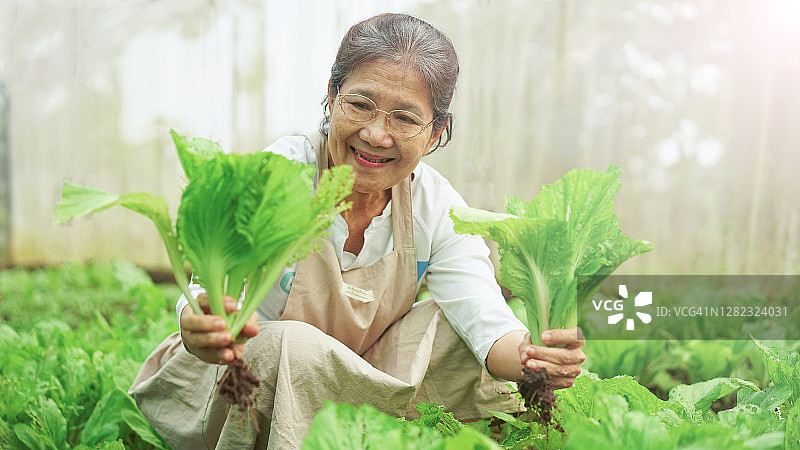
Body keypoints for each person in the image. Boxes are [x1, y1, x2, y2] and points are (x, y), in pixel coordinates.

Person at [129, 12, 585, 449]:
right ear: (331, 95)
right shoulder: (281, 174)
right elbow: (213, 294)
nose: (376, 134)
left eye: (405, 118)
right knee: (291, 343)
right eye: (361, 104)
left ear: (435, 132)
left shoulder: (436, 206)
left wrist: (532, 358)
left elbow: (485, 323)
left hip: (351, 375)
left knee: (455, 333)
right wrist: (201, 324)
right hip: (238, 382)